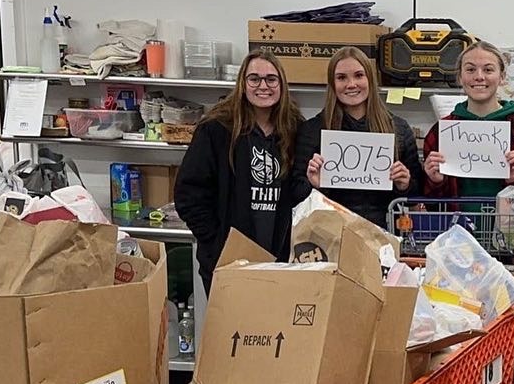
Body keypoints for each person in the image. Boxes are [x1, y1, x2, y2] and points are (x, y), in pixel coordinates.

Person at [174, 49, 307, 292]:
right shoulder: (216, 129)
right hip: (227, 262)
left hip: (280, 262)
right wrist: (218, 244)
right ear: (242, 84)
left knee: (275, 329)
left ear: (282, 85)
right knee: (231, 331)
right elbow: (189, 195)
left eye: (271, 79)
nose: (262, 86)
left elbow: (300, 195)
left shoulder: (296, 130)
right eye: (254, 78)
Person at [294, 47, 425, 228]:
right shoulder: (312, 130)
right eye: (341, 77)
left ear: (370, 79)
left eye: (358, 75)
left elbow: (416, 196)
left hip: (382, 235)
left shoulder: (398, 129)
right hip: (329, 234)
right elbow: (295, 194)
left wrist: (404, 184)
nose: (351, 84)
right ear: (332, 84)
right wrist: (315, 186)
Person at [421, 41, 514, 198]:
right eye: (470, 69)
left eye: (488, 70)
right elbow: (430, 204)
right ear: (460, 77)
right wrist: (435, 181)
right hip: (454, 222)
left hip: (512, 223)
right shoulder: (440, 132)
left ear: (502, 77)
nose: (479, 77)